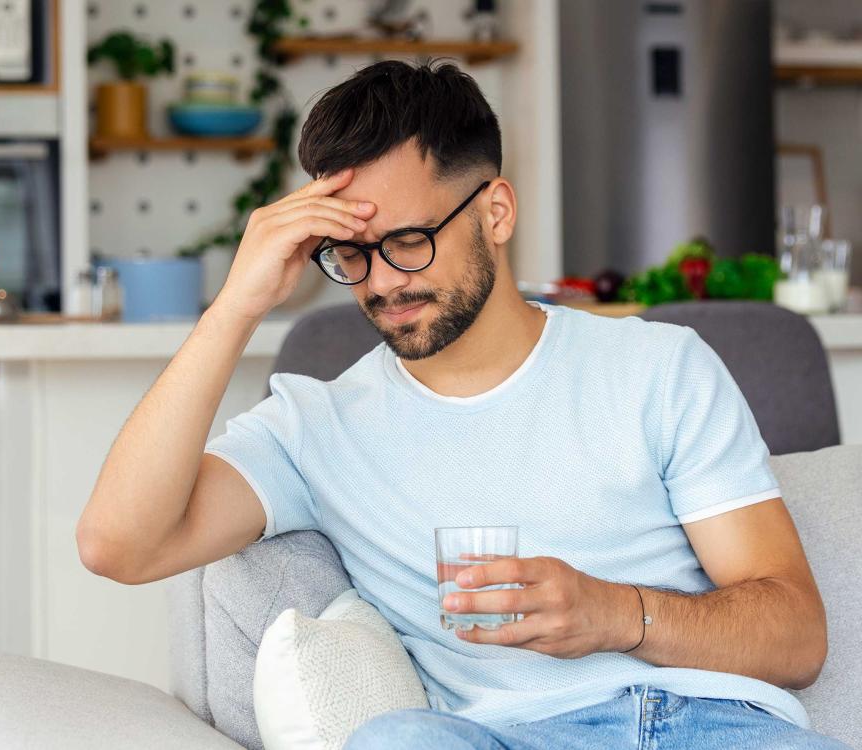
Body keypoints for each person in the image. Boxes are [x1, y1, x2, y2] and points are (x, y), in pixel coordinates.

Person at [75, 60, 848, 749]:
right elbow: (118, 545)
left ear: (496, 212)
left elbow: (795, 637)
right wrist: (235, 306)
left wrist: (614, 614)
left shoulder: (658, 367)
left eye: (409, 240)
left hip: (708, 728)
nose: (380, 283)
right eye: (351, 253)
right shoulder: (316, 426)